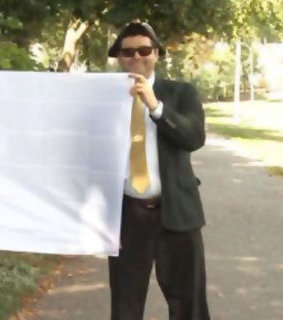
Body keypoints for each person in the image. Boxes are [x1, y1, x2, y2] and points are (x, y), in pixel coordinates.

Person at [107, 22, 211, 320]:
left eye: (144, 50)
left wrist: (155, 107)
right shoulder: (106, 99)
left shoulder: (181, 93)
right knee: (125, 305)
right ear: (119, 57)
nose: (136, 56)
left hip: (177, 213)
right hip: (127, 216)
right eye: (128, 52)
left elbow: (194, 137)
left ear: (157, 54)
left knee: (188, 304)